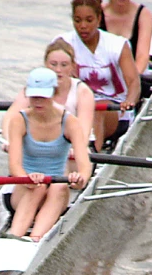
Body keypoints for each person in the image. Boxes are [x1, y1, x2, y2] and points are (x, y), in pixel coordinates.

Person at [5, 67, 92, 242]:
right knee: (38, 186)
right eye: (33, 96)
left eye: (42, 96)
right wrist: (26, 179)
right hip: (24, 191)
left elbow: (85, 165)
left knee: (58, 185)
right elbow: (14, 166)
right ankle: (14, 236)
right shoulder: (19, 120)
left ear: (54, 93)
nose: (37, 102)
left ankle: (35, 239)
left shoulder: (70, 123)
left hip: (56, 193)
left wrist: (80, 178)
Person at [55, 0, 140, 152]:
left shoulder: (117, 45)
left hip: (113, 110)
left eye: (89, 20)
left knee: (95, 108)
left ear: (99, 19)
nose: (83, 26)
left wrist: (130, 101)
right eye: (77, 20)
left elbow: (134, 82)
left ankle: (91, 154)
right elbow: (51, 79)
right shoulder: (63, 43)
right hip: (75, 106)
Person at [1, 38, 95, 155]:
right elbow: (10, 117)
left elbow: (83, 129)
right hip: (40, 146)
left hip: (72, 148)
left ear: (72, 66)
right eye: (53, 64)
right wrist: (9, 140)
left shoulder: (83, 92)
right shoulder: (33, 89)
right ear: (46, 65)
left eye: (64, 65)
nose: (58, 70)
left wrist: (76, 148)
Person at [100, 0, 152, 75]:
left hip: (135, 77)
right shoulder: (96, 13)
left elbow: (142, 57)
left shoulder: (143, 14)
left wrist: (130, 81)